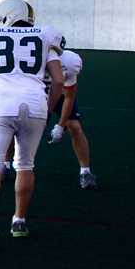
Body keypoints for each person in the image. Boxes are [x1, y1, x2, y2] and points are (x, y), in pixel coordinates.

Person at [0, 0, 66, 248]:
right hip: (34, 104)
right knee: (25, 165)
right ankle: (19, 221)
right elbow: (58, 81)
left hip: (1, 103)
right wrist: (47, 108)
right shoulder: (46, 37)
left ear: (8, 15)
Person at [46, 48, 97, 189]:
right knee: (19, 125)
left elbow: (69, 97)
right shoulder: (33, 58)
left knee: (74, 126)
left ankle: (85, 172)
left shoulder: (68, 63)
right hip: (36, 93)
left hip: (61, 95)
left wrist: (60, 126)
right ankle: (5, 165)